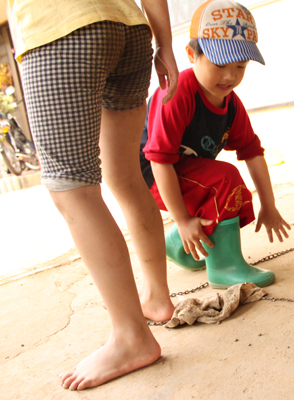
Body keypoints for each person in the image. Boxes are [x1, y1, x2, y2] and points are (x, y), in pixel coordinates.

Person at [9, 0, 179, 390]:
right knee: (125, 177)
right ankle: (155, 298)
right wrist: (164, 43)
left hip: (59, 28)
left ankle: (131, 337)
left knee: (72, 187)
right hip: (131, 28)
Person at [140, 0, 290, 289]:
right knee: (224, 179)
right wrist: (182, 219)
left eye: (240, 66)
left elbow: (253, 153)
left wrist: (268, 205)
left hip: (183, 168)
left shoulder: (231, 104)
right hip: (152, 172)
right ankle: (224, 266)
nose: (230, 76)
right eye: (220, 63)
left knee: (214, 179)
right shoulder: (177, 92)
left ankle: (179, 247)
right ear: (191, 54)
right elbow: (159, 159)